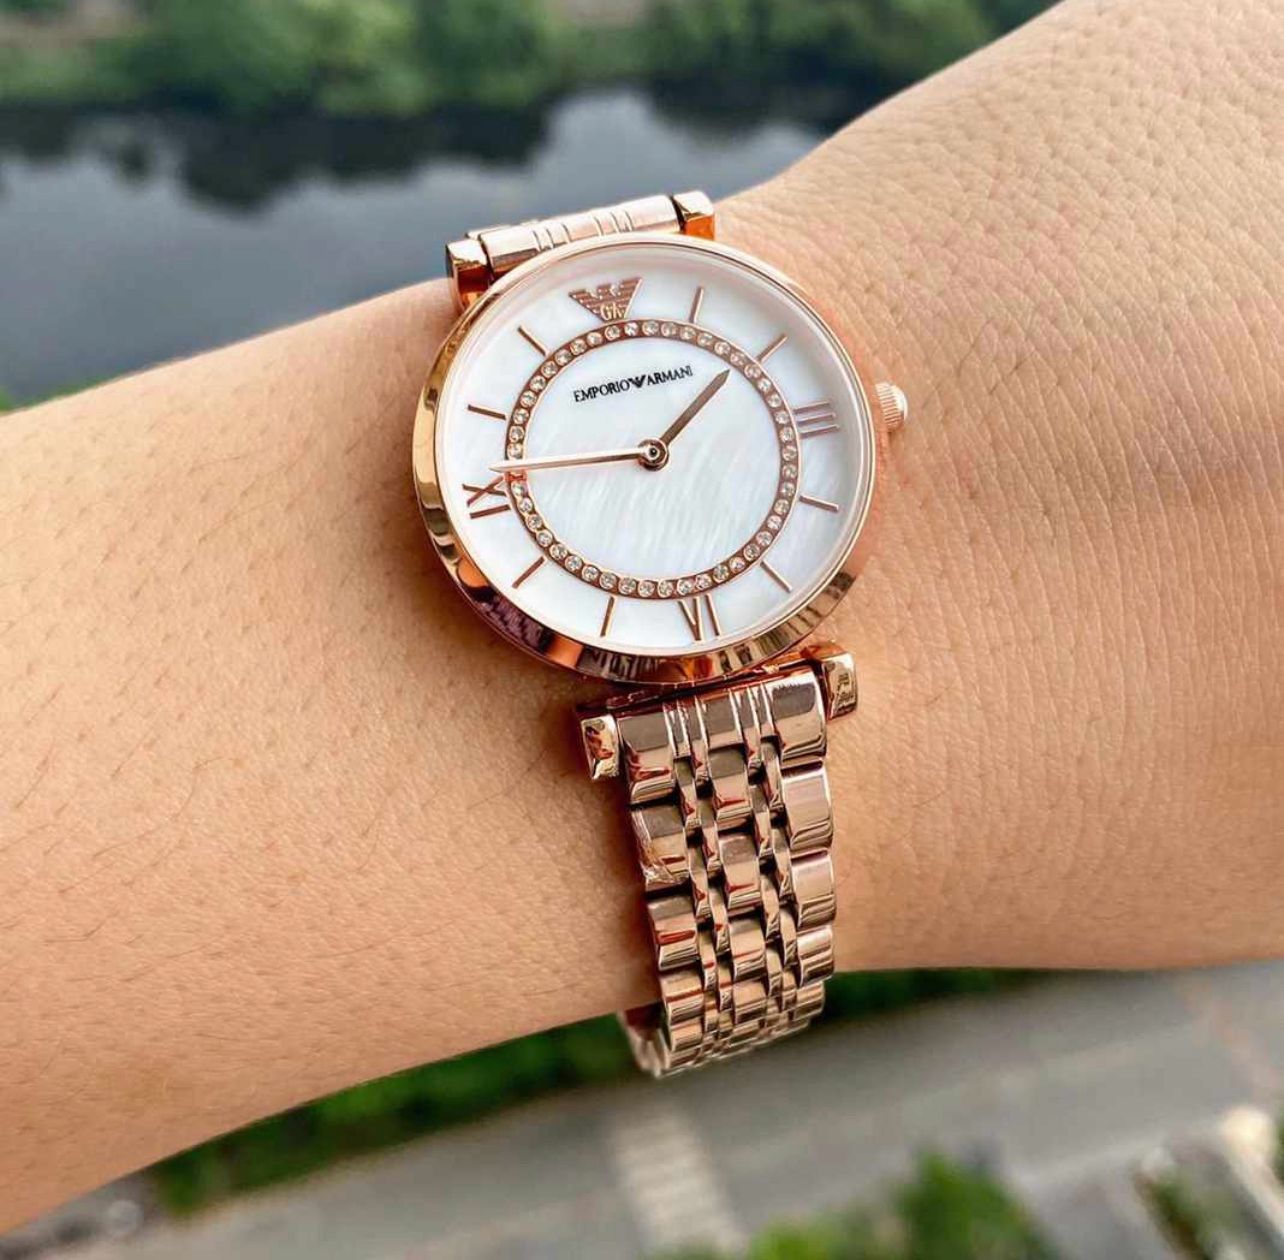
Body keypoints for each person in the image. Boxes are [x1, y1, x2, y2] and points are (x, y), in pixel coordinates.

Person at [1, 0, 1280, 1229]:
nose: (657, 453)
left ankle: (733, 983)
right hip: (676, 703)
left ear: (872, 415)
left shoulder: (774, 405)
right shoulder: (486, 470)